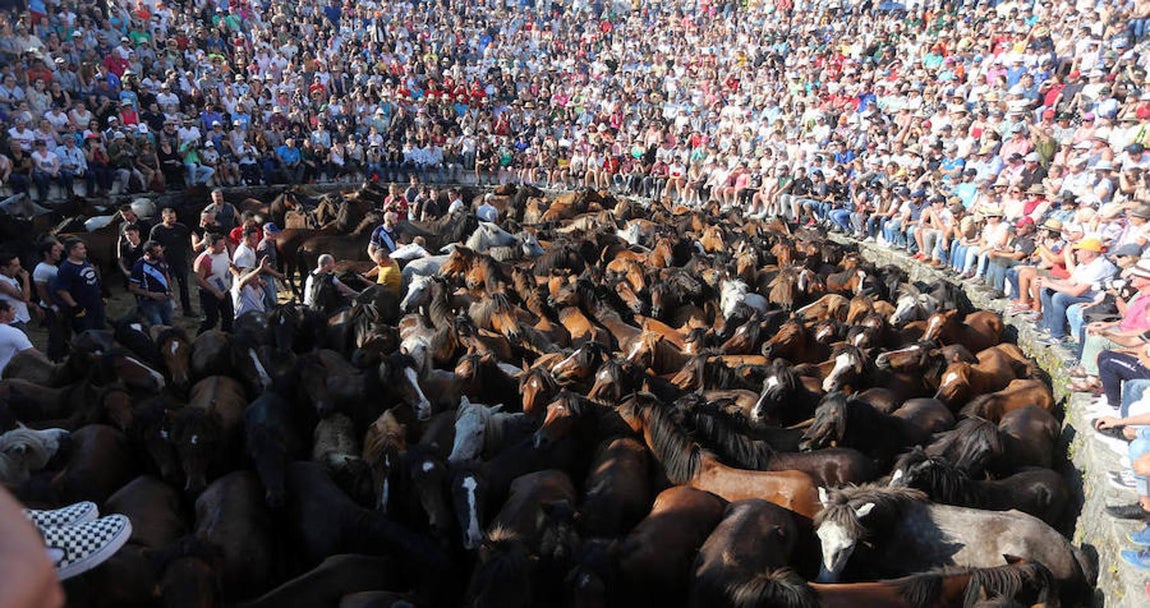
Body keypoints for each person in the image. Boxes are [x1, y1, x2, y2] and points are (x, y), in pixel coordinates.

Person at [1036, 237, 1118, 344]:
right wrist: (1047, 282)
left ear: (1088, 253)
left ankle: (1058, 335)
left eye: (1079, 250)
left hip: (1096, 300)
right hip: (1085, 295)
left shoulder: (1100, 266)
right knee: (1047, 291)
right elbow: (1070, 282)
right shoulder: (1084, 264)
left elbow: (1076, 292)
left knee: (1059, 297)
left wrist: (1050, 283)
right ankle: (1048, 325)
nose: (1076, 253)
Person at [149, 208, 194, 316]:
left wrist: (192, 256)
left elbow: (189, 243)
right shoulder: (157, 230)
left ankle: (187, 310)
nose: (174, 220)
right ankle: (164, 310)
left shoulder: (181, 228)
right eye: (170, 218)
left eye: (174, 217)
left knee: (184, 286)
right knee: (164, 286)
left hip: (180, 261)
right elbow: (151, 246)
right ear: (163, 217)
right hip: (164, 263)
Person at [54, 238, 105, 334]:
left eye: (84, 248)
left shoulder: (84, 261)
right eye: (81, 249)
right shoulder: (66, 268)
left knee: (100, 329)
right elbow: (61, 290)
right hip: (83, 309)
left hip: (96, 304)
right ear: (72, 251)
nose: (84, 250)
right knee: (88, 333)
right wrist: (75, 306)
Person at [32, 238, 67, 362]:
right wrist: (53, 307)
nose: (59, 253)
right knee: (56, 336)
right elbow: (41, 291)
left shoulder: (53, 267)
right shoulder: (42, 269)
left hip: (58, 306)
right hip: (50, 308)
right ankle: (54, 361)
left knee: (63, 335)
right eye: (55, 251)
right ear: (47, 254)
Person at [194, 233, 233, 334]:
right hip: (210, 294)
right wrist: (215, 291)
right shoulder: (204, 260)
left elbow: (228, 263)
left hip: (225, 290)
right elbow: (199, 279)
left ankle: (227, 336)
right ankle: (201, 336)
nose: (223, 247)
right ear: (211, 245)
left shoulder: (224, 251)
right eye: (220, 245)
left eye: (223, 244)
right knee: (211, 320)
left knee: (229, 316)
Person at [128, 241, 174, 327]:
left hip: (165, 298)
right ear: (148, 254)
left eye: (160, 250)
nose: (160, 253)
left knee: (169, 324)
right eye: (157, 252)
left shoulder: (161, 259)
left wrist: (170, 289)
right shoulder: (139, 267)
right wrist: (152, 295)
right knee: (157, 326)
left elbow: (166, 273)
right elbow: (133, 288)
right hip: (149, 303)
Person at [0, 252, 34, 333]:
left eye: (19, 264)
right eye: (15, 266)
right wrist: (26, 279)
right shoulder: (2, 281)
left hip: (19, 318)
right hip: (13, 321)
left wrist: (34, 306)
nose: (19, 268)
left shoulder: (11, 277)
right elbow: (25, 298)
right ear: (3, 268)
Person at [0, 300, 35, 376]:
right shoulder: (14, 333)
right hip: (5, 378)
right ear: (3, 313)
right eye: (13, 309)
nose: (15, 312)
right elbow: (32, 353)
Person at [256, 223, 285, 306]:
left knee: (274, 298)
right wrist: (277, 274)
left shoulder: (271, 243)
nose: (276, 235)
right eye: (274, 233)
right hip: (265, 276)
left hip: (270, 275)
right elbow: (263, 266)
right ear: (267, 233)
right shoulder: (264, 246)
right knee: (270, 301)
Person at [116, 223, 145, 289]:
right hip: (133, 275)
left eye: (131, 234)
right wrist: (125, 271)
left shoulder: (145, 245)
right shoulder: (125, 246)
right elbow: (120, 260)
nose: (128, 237)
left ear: (137, 233)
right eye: (126, 235)